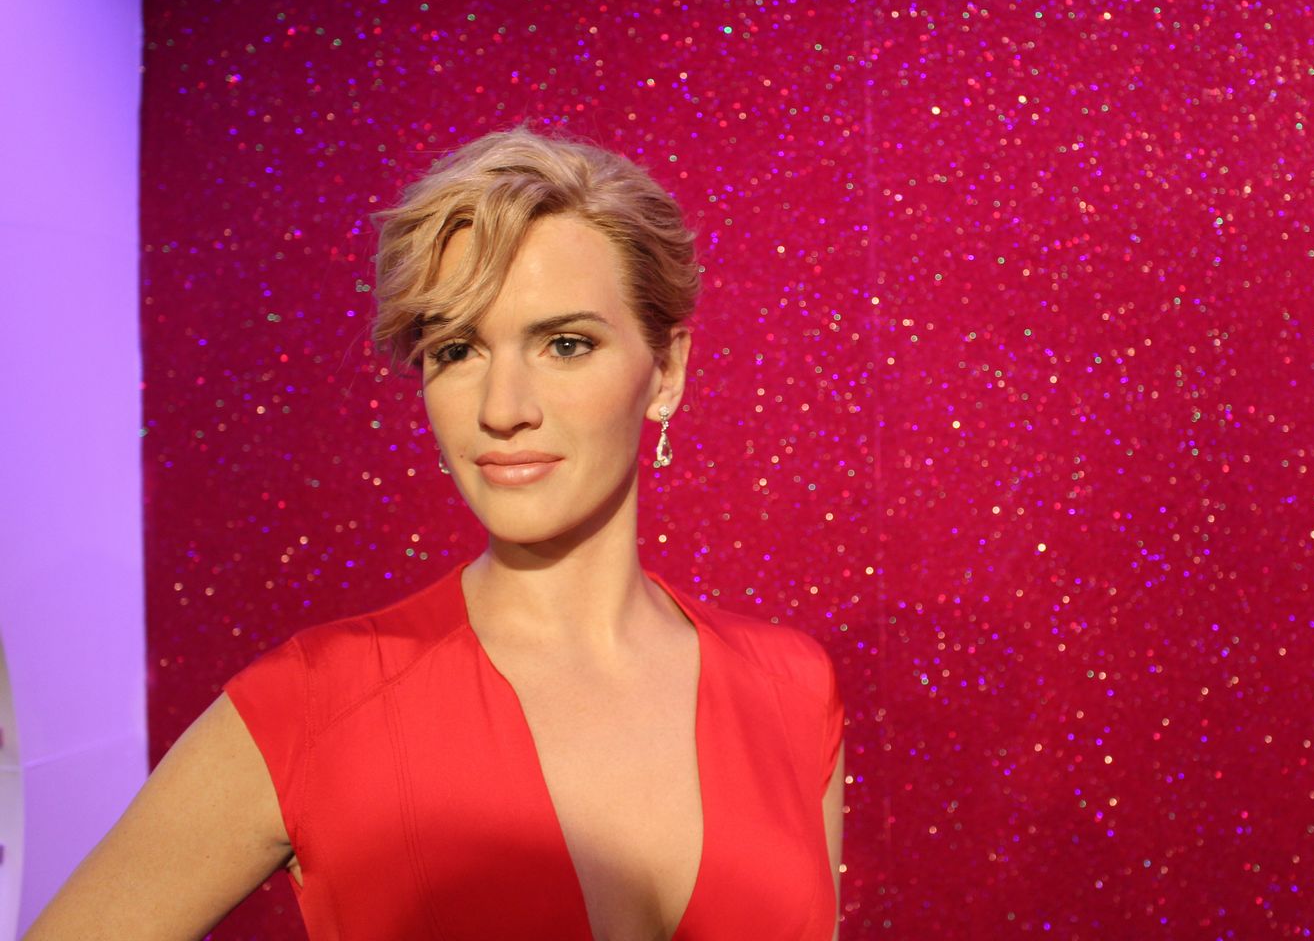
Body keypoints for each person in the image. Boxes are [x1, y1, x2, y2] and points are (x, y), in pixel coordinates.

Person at [26, 127, 845, 940]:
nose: (502, 408)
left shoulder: (791, 690)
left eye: (565, 344)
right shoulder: (313, 705)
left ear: (666, 370)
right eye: (457, 351)